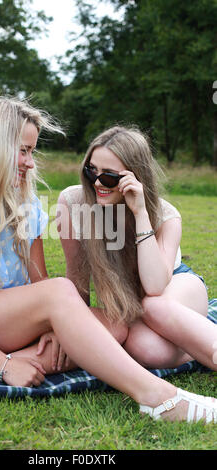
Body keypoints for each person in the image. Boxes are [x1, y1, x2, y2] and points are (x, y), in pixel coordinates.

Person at [0, 100, 216, 424]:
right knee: (62, 295)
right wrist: (7, 360)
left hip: (15, 322)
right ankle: (157, 396)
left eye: (32, 152)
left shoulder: (24, 200)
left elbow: (39, 281)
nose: (30, 163)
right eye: (23, 151)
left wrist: (57, 326)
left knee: (114, 324)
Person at [57, 125, 217, 383]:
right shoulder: (73, 203)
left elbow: (155, 286)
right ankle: (197, 344)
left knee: (154, 306)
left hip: (174, 287)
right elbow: (76, 279)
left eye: (109, 177)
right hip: (133, 309)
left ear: (135, 176)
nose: (97, 183)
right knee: (145, 349)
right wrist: (75, 330)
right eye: (91, 171)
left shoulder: (166, 215)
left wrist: (141, 214)